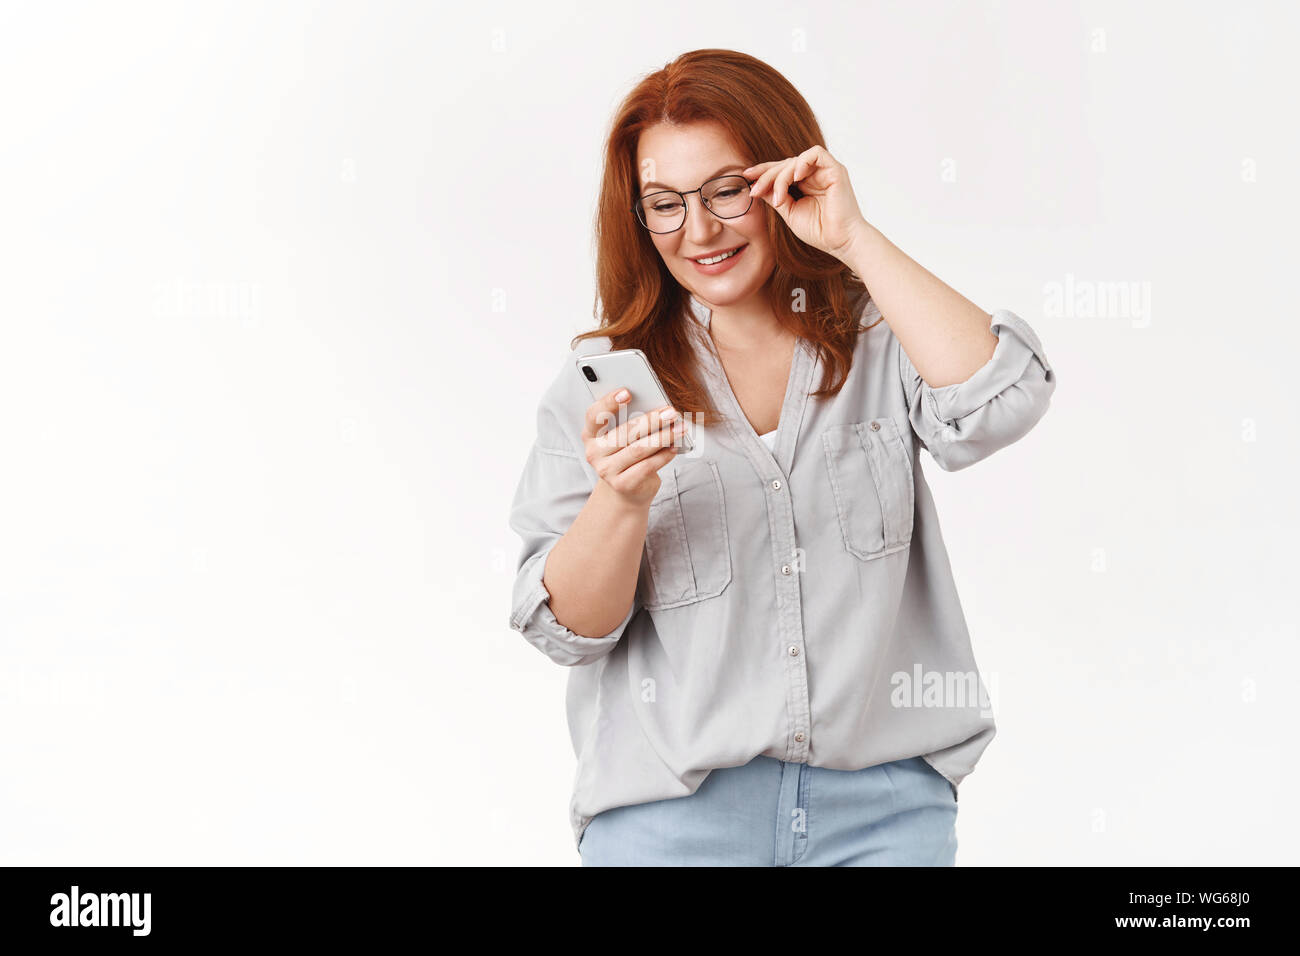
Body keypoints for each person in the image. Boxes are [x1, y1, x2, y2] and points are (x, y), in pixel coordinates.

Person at [507, 49, 1057, 866]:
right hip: (672, 823)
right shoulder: (605, 384)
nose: (699, 231)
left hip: (884, 815)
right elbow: (568, 632)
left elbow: (1005, 397)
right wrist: (619, 503)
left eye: (727, 190)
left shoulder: (879, 339)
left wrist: (855, 240)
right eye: (664, 204)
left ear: (786, 177)